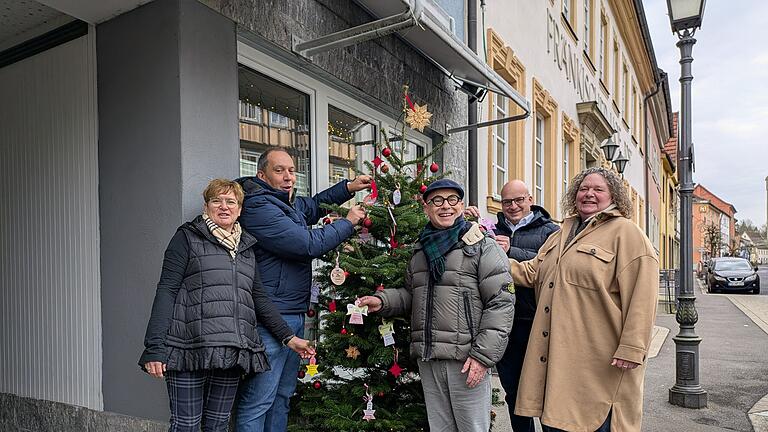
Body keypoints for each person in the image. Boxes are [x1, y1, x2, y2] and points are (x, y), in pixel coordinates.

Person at [139, 179, 315, 432]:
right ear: (206, 206)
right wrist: (155, 346)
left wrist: (289, 338)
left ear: (240, 209)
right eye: (216, 201)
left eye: (231, 201)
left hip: (231, 351)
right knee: (186, 426)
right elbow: (166, 290)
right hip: (190, 348)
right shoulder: (187, 238)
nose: (224, 206)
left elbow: (259, 298)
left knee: (218, 426)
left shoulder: (246, 247)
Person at [358, 178, 515, 432]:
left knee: (472, 428)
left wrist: (483, 357)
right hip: (430, 358)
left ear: (461, 205)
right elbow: (413, 295)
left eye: (452, 200)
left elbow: (501, 303)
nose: (446, 206)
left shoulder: (482, 246)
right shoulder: (421, 249)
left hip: (466, 360)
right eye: (437, 201)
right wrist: (383, 300)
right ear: (426, 207)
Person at [509, 167, 658, 432]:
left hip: (600, 361)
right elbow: (531, 271)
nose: (589, 194)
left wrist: (633, 348)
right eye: (583, 189)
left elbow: (642, 297)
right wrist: (486, 254)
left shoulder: (626, 234)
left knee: (593, 421)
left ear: (613, 195)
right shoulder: (561, 234)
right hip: (557, 360)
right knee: (557, 421)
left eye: (598, 189)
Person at [234, 147, 371, 432]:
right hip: (271, 317)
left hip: (294, 314)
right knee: (259, 400)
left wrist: (348, 187)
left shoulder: (283, 203)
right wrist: (348, 222)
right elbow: (307, 245)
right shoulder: (258, 207)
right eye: (279, 170)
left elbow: (313, 205)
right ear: (262, 174)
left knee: (282, 397)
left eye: (292, 170)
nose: (288, 177)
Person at [465, 179, 559, 432]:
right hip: (504, 324)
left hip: (539, 323)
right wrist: (466, 220)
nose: (513, 206)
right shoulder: (490, 229)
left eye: (519, 200)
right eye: (507, 201)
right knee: (514, 391)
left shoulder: (551, 231)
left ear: (530, 199)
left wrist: (513, 251)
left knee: (547, 391)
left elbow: (555, 267)